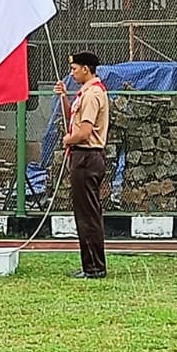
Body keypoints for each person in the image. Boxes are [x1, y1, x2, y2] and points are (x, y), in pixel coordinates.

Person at [55, 51, 110, 279]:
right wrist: (63, 97)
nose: (72, 73)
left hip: (86, 156)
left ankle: (94, 267)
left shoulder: (92, 94)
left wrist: (68, 140)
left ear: (86, 69)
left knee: (87, 214)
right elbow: (73, 119)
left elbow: (84, 132)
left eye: (74, 69)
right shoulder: (85, 93)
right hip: (85, 157)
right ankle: (90, 264)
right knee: (85, 212)